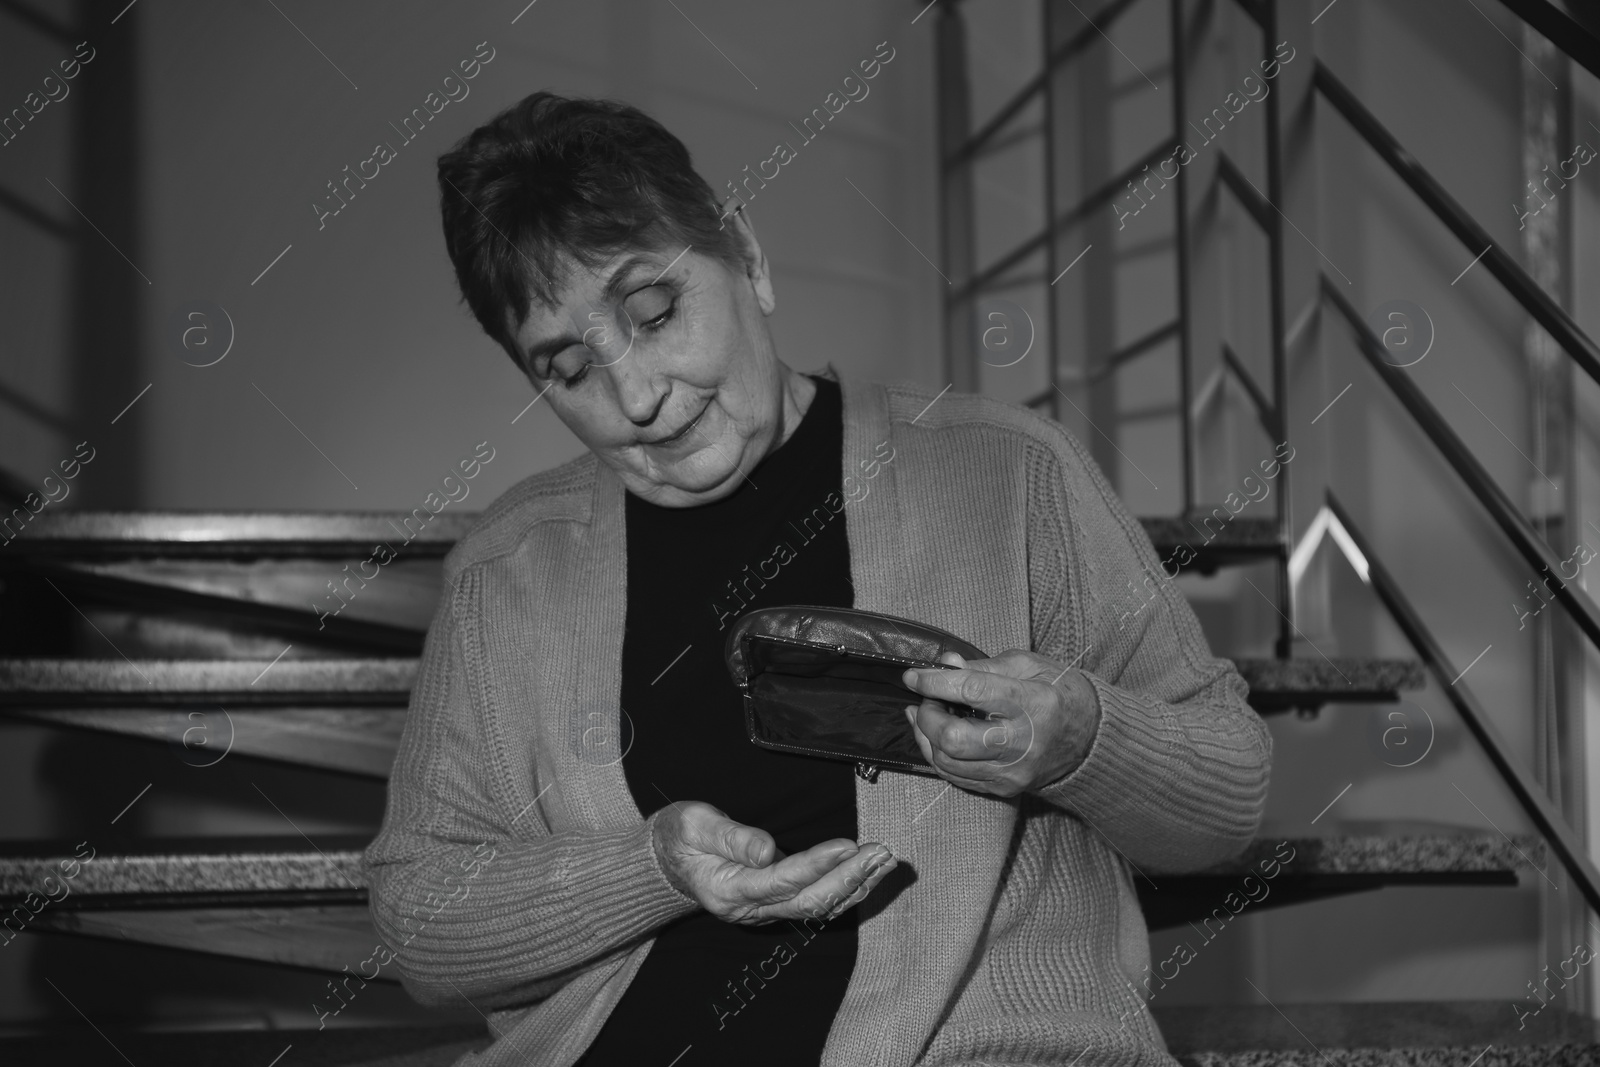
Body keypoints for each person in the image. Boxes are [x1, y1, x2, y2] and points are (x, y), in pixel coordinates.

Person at [364, 91, 1272, 1067]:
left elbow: (1227, 795)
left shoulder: (1007, 474)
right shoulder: (508, 574)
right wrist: (652, 866)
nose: (636, 395)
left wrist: (1083, 737)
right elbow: (420, 919)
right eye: (568, 367)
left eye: (654, 311)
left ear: (747, 259)